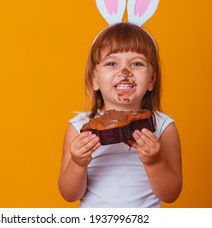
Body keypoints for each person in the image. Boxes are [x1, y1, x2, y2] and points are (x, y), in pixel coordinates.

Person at [58, 22, 182, 207]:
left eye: (136, 63)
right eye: (112, 63)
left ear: (151, 80)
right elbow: (69, 194)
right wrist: (77, 163)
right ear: (94, 79)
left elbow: (171, 194)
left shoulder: (163, 127)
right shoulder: (80, 126)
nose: (124, 72)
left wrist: (154, 162)